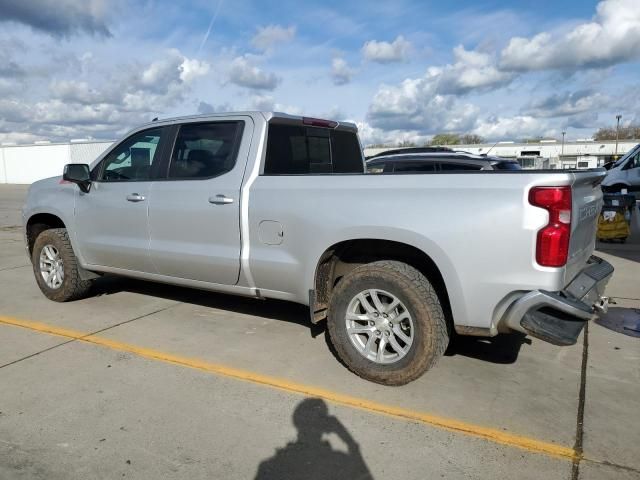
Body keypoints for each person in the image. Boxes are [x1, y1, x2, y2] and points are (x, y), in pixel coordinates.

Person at [255, 398, 373, 480]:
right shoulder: (338, 462)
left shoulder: (269, 466)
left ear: (296, 423)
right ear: (326, 427)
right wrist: (350, 443)